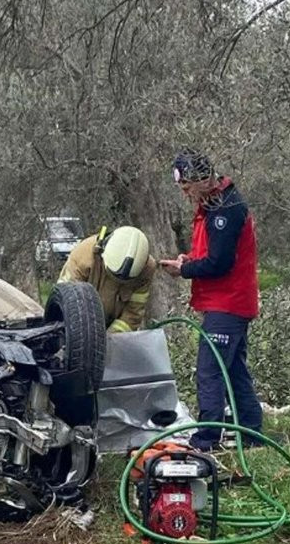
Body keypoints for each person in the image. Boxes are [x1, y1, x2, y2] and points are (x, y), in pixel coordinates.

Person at [159, 151, 262, 450]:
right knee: (233, 370)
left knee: (210, 370)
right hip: (229, 302)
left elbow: (220, 263)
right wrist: (189, 260)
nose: (185, 192)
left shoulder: (225, 210)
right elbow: (214, 254)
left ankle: (206, 439)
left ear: (203, 180)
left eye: (188, 186)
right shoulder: (213, 204)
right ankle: (252, 432)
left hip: (227, 304)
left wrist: (185, 270)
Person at [58, 225, 156, 332]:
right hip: (76, 329)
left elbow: (133, 314)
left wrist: (111, 339)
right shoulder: (83, 256)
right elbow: (65, 302)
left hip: (113, 335)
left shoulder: (147, 269)